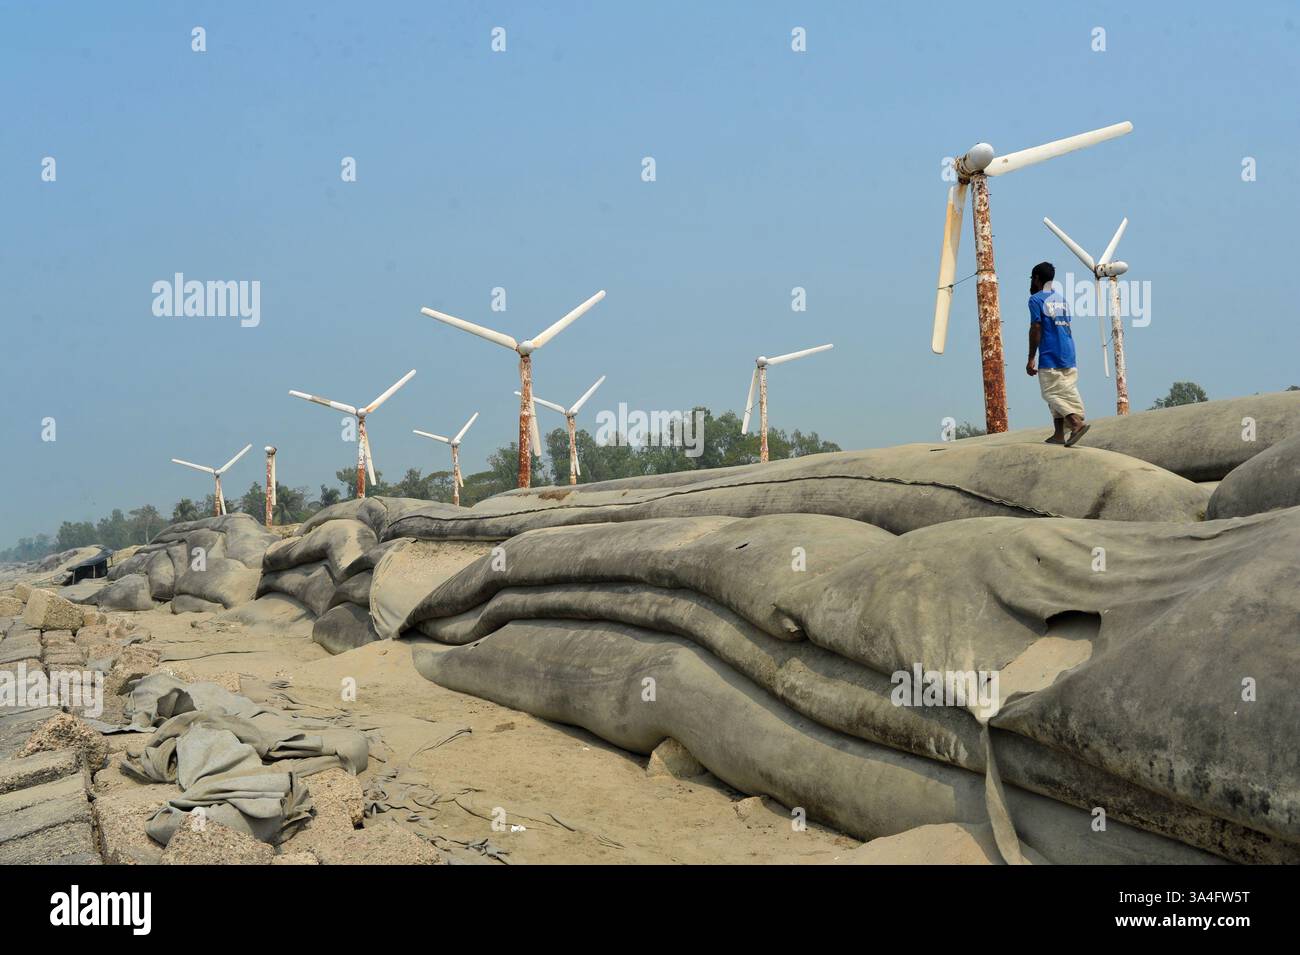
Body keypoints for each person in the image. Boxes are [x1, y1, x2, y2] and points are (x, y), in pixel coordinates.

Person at [1026, 261, 1089, 446]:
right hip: (1068, 353)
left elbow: (1036, 327)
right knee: (1061, 392)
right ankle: (1059, 434)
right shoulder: (1061, 299)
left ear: (1036, 278)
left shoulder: (1036, 299)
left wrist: (1031, 357)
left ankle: (1075, 423)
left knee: (1050, 393)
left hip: (1050, 354)